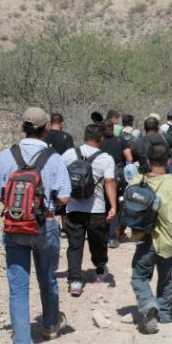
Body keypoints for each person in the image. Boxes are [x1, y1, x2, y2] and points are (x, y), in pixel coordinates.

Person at [0, 107, 71, 344]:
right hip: (44, 225)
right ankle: (50, 324)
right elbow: (65, 196)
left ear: (23, 127)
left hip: (14, 227)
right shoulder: (53, 158)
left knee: (18, 288)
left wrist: (16, 206)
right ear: (46, 130)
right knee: (47, 279)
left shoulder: (6, 156)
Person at [129, 142, 172, 334]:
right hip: (168, 242)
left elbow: (128, 212)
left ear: (148, 161)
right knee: (166, 279)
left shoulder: (137, 182)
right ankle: (164, 313)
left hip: (144, 240)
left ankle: (148, 304)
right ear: (168, 161)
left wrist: (119, 232)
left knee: (139, 276)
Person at [61, 124, 117, 297]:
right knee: (98, 241)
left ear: (84, 137)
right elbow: (109, 182)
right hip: (96, 209)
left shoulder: (69, 154)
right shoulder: (106, 158)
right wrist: (113, 205)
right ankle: (100, 267)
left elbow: (61, 177)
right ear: (101, 139)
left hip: (73, 208)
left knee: (75, 245)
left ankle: (75, 281)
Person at [100, 119, 133, 248]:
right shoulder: (121, 140)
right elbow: (129, 158)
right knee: (115, 206)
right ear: (113, 128)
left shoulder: (99, 142)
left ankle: (102, 235)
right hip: (117, 175)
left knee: (102, 204)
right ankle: (112, 236)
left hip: (101, 175)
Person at [43, 113, 75, 235]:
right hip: (62, 169)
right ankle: (64, 225)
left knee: (46, 195)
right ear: (62, 123)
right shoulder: (66, 137)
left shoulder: (44, 136)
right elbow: (71, 156)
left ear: (50, 123)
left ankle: (47, 221)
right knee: (62, 196)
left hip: (45, 169)